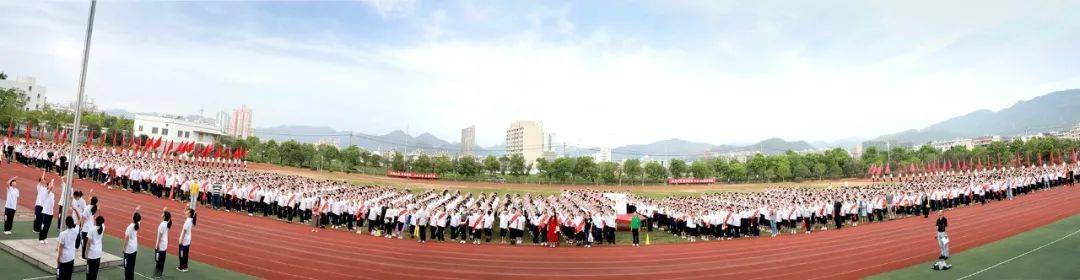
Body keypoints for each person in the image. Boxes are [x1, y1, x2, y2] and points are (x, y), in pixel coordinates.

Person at [56, 216, 79, 280]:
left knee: (61, 276)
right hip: (71, 257)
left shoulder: (63, 234)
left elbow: (61, 247)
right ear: (72, 223)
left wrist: (58, 258)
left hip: (64, 258)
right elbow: (79, 220)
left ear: (66, 224)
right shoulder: (76, 231)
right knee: (68, 275)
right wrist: (75, 209)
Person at [122, 207, 141, 280]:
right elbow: (137, 218)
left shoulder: (129, 227)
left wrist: (124, 248)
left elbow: (126, 239)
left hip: (129, 250)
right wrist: (136, 211)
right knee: (132, 266)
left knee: (127, 267)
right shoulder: (138, 224)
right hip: (134, 249)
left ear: (133, 218)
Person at [85, 216, 105, 280]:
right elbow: (102, 223)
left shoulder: (91, 230)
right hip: (98, 253)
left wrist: (86, 253)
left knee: (89, 273)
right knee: (95, 272)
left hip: (92, 254)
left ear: (96, 221)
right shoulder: (103, 227)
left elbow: (88, 243)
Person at [154, 209, 172, 278]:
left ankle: (157, 275)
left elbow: (159, 236)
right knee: (162, 261)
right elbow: (169, 219)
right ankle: (159, 274)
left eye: (163, 214)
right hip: (165, 244)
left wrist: (157, 245)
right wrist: (166, 211)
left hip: (161, 245)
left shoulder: (162, 225)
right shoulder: (167, 223)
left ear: (164, 217)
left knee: (158, 260)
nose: (162, 214)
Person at [178, 207, 196, 272]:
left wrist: (181, 240)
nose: (186, 211)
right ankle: (183, 267)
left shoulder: (187, 221)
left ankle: (183, 267)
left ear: (189, 213)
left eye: (187, 211)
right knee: (185, 253)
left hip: (184, 240)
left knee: (182, 254)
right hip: (188, 239)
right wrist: (186, 207)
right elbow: (185, 212)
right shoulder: (190, 219)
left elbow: (184, 231)